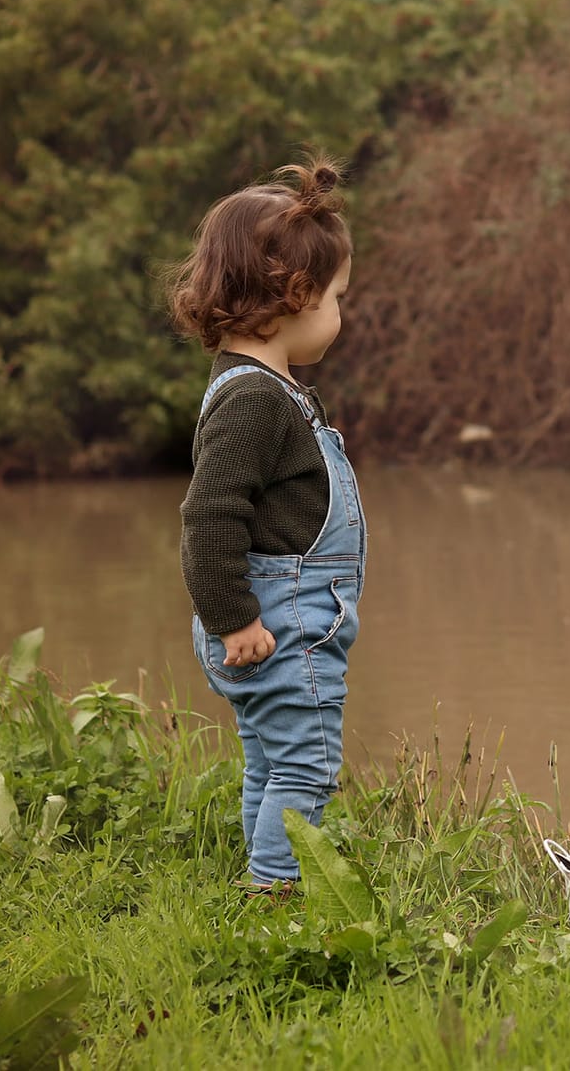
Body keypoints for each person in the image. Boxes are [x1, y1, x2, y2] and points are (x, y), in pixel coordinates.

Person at [165, 151, 363, 892]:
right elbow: (209, 516)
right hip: (278, 622)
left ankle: (261, 884)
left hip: (279, 616)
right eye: (337, 297)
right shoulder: (254, 400)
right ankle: (277, 898)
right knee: (307, 765)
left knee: (271, 760)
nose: (340, 314)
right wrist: (233, 617)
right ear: (298, 294)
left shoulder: (268, 390)